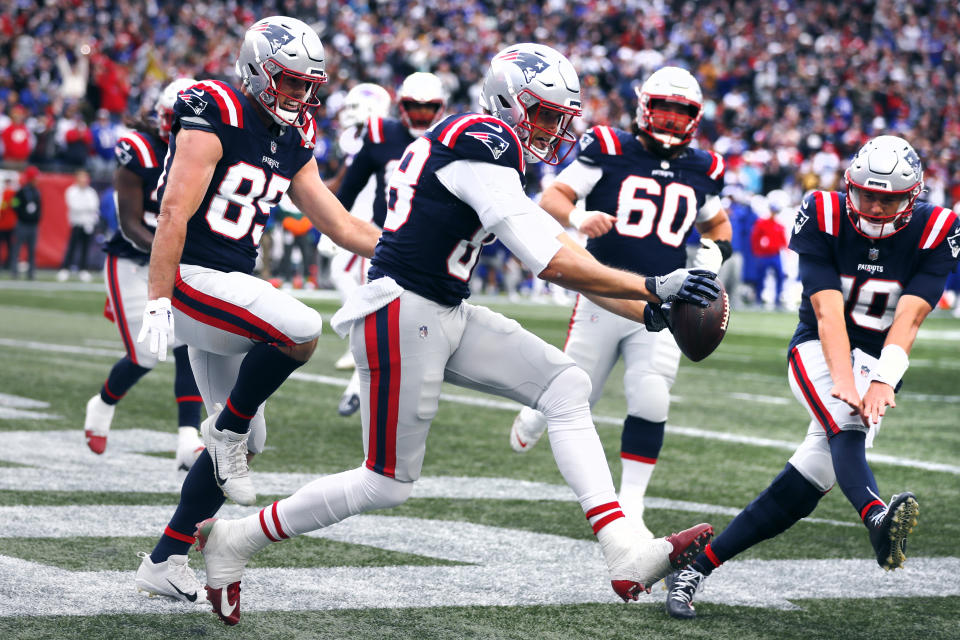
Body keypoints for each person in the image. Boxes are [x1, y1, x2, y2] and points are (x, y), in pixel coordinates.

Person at [193, 43, 720, 627]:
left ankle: (624, 550)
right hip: (400, 310)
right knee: (386, 482)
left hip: (442, 307)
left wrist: (640, 308)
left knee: (566, 386)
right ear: (507, 103)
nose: (553, 128)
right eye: (543, 114)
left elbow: (557, 245)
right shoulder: (481, 140)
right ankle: (235, 540)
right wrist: (650, 285)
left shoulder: (493, 146)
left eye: (560, 118)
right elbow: (545, 259)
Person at [132, 16, 381, 603]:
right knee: (300, 328)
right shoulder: (216, 107)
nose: (300, 94)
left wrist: (411, 246)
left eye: (306, 84)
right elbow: (173, 212)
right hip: (193, 277)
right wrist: (158, 300)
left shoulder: (295, 136)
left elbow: (339, 223)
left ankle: (164, 559)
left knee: (252, 439)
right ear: (256, 71)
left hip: (228, 285)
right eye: (288, 81)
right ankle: (223, 432)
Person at [664, 135, 960, 619]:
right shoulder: (822, 211)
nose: (876, 206)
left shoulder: (937, 226)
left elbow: (909, 319)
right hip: (816, 345)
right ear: (849, 187)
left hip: (880, 356)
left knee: (806, 483)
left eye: (888, 197)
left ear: (913, 196)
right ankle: (877, 519)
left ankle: (698, 567)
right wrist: (844, 377)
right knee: (846, 421)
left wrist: (882, 379)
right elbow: (827, 313)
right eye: (867, 194)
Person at [507, 66, 733, 538]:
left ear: (694, 117)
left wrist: (712, 258)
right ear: (644, 108)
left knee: (651, 394)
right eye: (664, 110)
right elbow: (554, 196)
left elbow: (718, 228)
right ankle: (537, 411)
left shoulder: (704, 167)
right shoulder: (609, 146)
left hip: (666, 301)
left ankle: (632, 502)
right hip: (603, 293)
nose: (671, 121)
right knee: (578, 387)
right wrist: (578, 215)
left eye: (681, 113)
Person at [82, 78, 206, 470]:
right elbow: (130, 224)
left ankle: (189, 438)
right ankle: (101, 404)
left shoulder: (208, 153)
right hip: (133, 259)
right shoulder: (138, 150)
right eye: (180, 123)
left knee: (191, 341)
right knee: (147, 353)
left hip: (177, 260)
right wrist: (168, 251)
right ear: (164, 119)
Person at [332, 72, 447, 417]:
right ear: (401, 107)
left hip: (436, 243)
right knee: (382, 318)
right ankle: (361, 385)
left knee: (424, 327)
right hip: (389, 239)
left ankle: (406, 397)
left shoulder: (454, 137)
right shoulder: (382, 134)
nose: (423, 116)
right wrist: (333, 221)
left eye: (430, 109)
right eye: (416, 108)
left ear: (441, 109)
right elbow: (350, 187)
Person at [58, 169, 100, 281]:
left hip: (88, 224)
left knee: (85, 249)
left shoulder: (91, 192)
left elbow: (94, 206)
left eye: (85, 178)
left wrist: (87, 210)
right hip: (76, 223)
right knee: (72, 247)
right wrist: (86, 208)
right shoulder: (71, 191)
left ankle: (83, 270)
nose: (84, 180)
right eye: (81, 178)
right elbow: (74, 206)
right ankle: (65, 269)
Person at [748, 194, 788, 308]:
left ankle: (778, 300)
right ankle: (758, 299)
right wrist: (756, 252)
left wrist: (786, 251)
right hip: (763, 255)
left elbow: (783, 241)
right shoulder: (761, 223)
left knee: (780, 276)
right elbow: (754, 238)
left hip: (775, 255)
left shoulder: (779, 225)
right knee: (761, 277)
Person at [9, 165, 41, 280]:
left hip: (33, 225)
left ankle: (31, 272)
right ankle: (14, 271)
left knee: (32, 251)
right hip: (22, 224)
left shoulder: (37, 192)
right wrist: (22, 214)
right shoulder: (22, 191)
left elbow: (39, 207)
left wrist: (36, 218)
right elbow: (14, 204)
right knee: (17, 248)